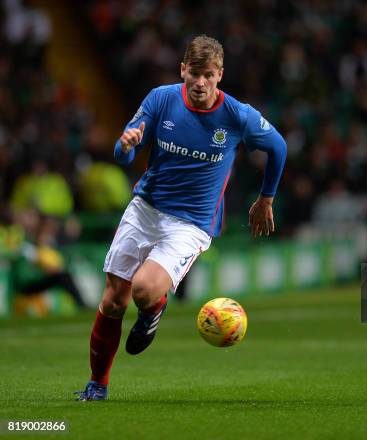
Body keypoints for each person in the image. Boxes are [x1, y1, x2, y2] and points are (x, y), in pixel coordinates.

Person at [75, 35, 287, 401]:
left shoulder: (237, 115)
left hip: (190, 224)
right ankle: (98, 384)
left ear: (220, 74)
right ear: (183, 70)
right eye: (194, 74)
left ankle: (152, 309)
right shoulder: (161, 99)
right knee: (113, 299)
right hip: (145, 208)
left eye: (208, 75)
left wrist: (265, 199)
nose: (200, 83)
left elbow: (278, 147)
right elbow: (123, 151)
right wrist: (126, 146)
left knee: (142, 289)